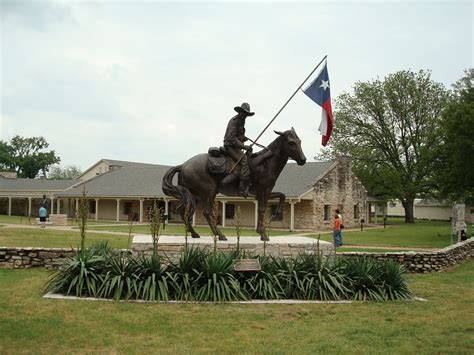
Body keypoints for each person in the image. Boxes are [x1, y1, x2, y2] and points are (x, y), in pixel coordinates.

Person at [223, 102, 254, 198]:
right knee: (245, 161)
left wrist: (243, 138)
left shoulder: (241, 121)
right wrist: (245, 147)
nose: (245, 116)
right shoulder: (234, 121)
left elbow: (238, 136)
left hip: (236, 146)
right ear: (240, 112)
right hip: (230, 146)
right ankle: (242, 188)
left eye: (246, 114)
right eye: (244, 113)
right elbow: (231, 138)